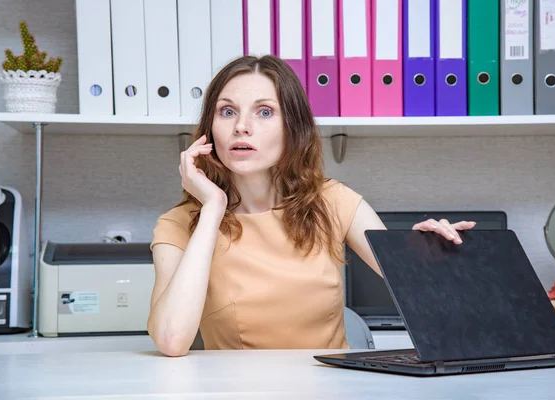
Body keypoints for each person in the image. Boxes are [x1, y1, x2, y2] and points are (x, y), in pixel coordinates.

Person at [147, 55, 476, 357]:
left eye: (264, 111)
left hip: (332, 388)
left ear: (292, 127)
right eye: (227, 111)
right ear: (209, 130)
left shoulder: (333, 201)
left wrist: (434, 254)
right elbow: (172, 340)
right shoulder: (179, 224)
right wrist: (213, 208)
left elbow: (428, 291)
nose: (241, 126)